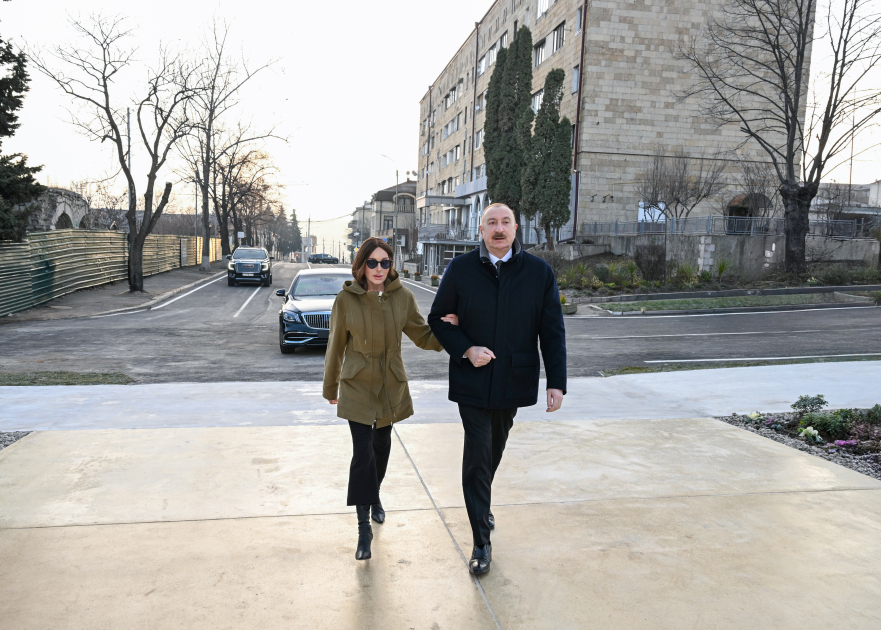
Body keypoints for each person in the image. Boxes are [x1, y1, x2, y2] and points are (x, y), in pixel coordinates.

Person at [428, 203, 567, 575]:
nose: (499, 228)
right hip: (471, 382)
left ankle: (481, 503)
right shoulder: (460, 270)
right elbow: (438, 321)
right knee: (477, 457)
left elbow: (552, 331)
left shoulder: (539, 273)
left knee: (493, 451)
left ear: (516, 228)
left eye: (505, 222)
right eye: (492, 222)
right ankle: (481, 541)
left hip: (514, 380)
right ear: (481, 230)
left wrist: (557, 382)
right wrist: (466, 349)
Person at [323, 237, 456, 561]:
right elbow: (336, 344)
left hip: (389, 383)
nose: (379, 269)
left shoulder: (403, 297)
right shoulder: (346, 299)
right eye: (372, 262)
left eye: (385, 262)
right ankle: (363, 529)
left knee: (381, 446)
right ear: (361, 265)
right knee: (363, 454)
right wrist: (331, 388)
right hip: (356, 385)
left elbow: (422, 336)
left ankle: (375, 494)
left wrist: (449, 331)